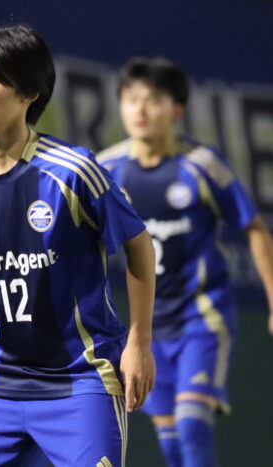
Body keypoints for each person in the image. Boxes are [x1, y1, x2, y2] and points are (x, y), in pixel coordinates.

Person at [0, 25, 156, 467]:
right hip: (3, 382)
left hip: (81, 381)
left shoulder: (73, 172)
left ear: (29, 93)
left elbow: (139, 245)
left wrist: (139, 342)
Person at [97, 57, 273, 467]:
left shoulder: (202, 165)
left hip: (202, 319)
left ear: (177, 109)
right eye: (131, 99)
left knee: (192, 427)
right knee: (173, 443)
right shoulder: (106, 170)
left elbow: (254, 227)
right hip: (147, 330)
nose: (140, 110)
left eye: (153, 100)